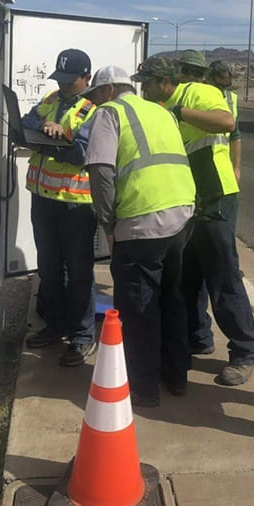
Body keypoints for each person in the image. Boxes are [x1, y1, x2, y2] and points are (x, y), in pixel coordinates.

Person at [133, 56, 254, 385]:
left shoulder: (195, 93)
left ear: (165, 82)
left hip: (214, 196)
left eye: (147, 82)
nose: (142, 88)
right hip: (189, 202)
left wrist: (177, 112)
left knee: (223, 277)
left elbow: (226, 122)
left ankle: (246, 351)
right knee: (187, 278)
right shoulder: (154, 108)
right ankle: (198, 338)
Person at [84, 65, 196, 407]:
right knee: (171, 297)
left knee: (138, 306)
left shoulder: (109, 113)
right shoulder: (160, 112)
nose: (92, 102)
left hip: (142, 221)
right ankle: (176, 375)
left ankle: (143, 387)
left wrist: (108, 224)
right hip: (183, 213)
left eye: (94, 95)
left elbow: (101, 171)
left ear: (107, 91)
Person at [22, 48, 98, 367]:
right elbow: (26, 121)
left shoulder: (94, 110)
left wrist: (56, 134)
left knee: (79, 272)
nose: (64, 86)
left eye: (71, 81)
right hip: (44, 198)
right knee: (49, 267)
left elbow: (81, 153)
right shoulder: (52, 100)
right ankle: (54, 325)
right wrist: (43, 126)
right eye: (61, 79)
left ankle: (81, 337)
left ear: (87, 78)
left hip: (76, 204)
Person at [207, 60, 242, 183]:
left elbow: (235, 136)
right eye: (219, 86)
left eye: (226, 86)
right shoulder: (198, 96)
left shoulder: (231, 99)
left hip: (222, 164)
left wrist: (236, 168)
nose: (222, 90)